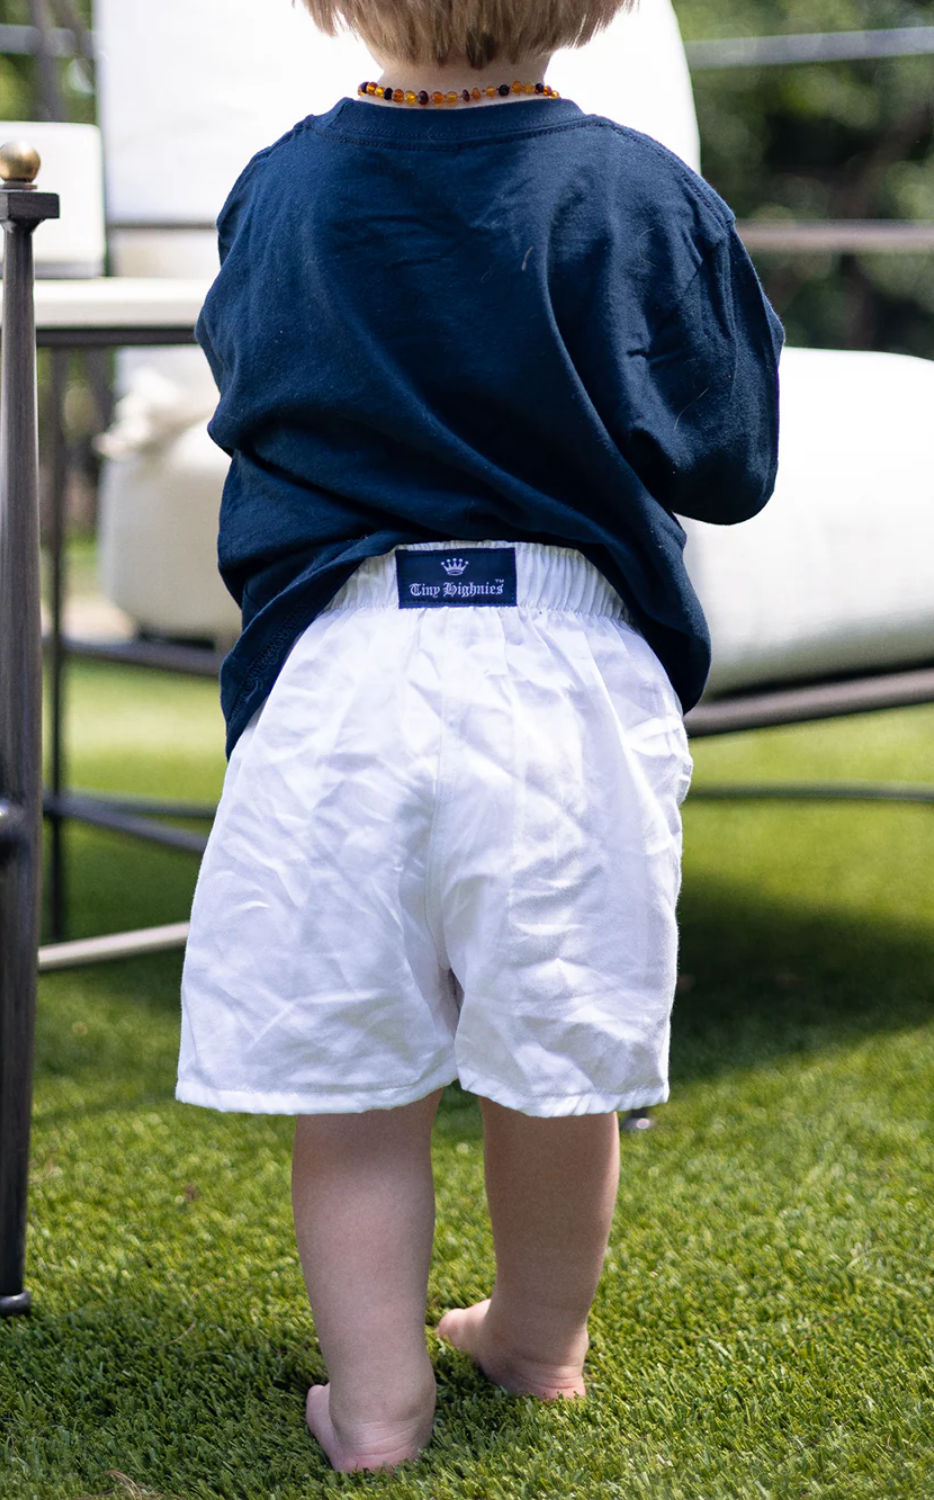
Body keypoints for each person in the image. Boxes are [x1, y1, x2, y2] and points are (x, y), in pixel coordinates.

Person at [177, 0, 784, 1473]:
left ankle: (378, 1407)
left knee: (359, 1090)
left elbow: (251, 397)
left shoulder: (283, 188)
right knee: (556, 1058)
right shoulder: (640, 191)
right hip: (568, 668)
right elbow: (730, 457)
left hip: (349, 664)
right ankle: (535, 1342)